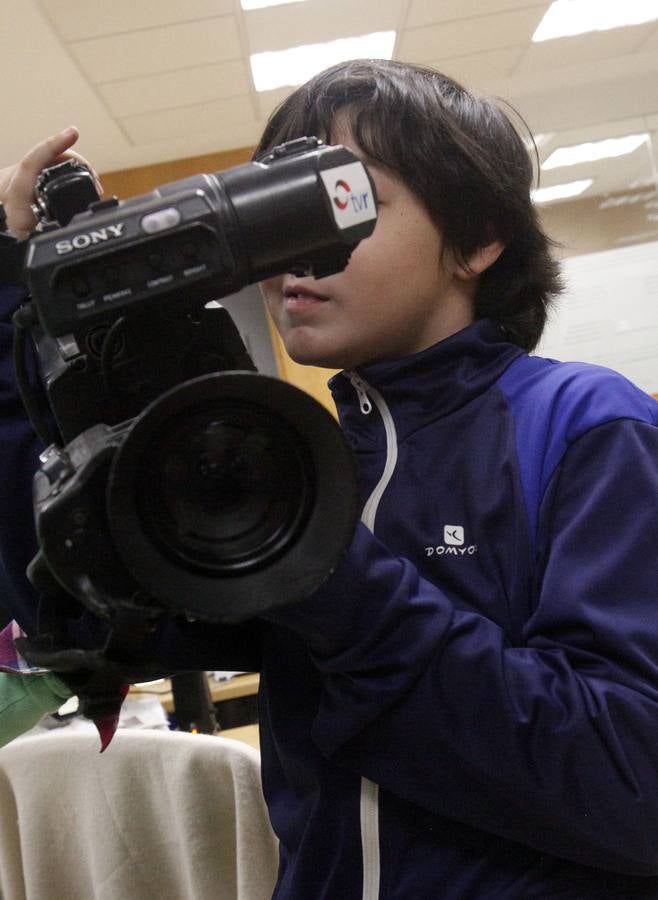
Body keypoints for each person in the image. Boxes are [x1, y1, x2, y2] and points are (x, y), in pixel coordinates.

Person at [1, 58, 658, 898]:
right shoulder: (301, 457)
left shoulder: (583, 424)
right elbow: (68, 616)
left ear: (479, 238)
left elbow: (629, 782)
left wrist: (327, 574)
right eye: (277, 217)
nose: (293, 262)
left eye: (343, 202)